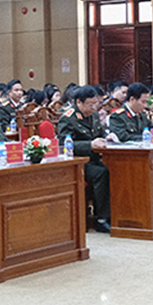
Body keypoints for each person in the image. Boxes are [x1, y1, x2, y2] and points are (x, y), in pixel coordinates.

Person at [57, 86, 116, 233]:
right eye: (90, 104)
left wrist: (107, 137)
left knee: (116, 168)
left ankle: (114, 213)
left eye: (95, 103)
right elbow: (63, 145)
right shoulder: (68, 118)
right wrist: (90, 145)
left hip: (96, 158)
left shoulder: (94, 114)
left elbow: (100, 132)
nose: (93, 107)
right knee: (102, 173)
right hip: (78, 162)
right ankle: (101, 219)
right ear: (79, 102)